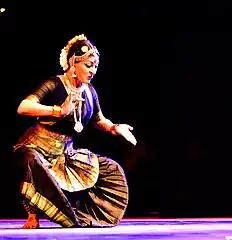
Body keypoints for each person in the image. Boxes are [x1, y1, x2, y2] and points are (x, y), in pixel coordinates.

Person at [13, 33, 137, 229]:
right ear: (73, 62)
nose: (93, 70)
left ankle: (83, 215)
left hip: (65, 152)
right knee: (32, 161)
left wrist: (114, 128)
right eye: (88, 65)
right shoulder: (54, 84)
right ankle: (32, 216)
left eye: (95, 66)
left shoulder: (90, 91)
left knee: (109, 170)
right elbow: (23, 107)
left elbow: (99, 119)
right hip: (39, 145)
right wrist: (59, 110)